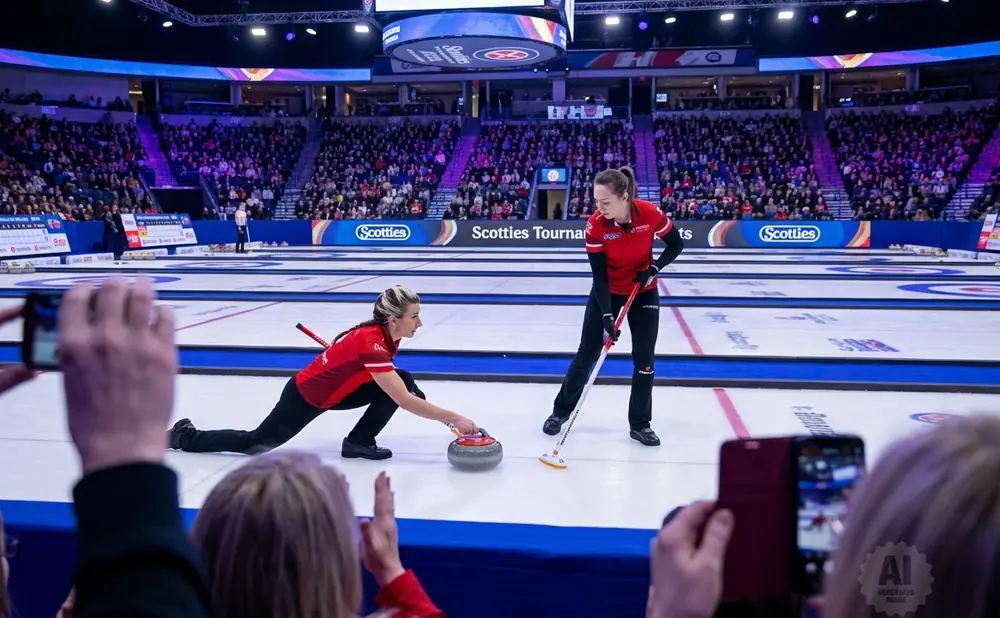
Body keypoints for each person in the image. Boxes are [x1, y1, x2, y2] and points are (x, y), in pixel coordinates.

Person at [169, 286, 479, 461]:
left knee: (404, 378)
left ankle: (359, 442)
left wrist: (410, 393)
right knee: (255, 444)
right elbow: (402, 399)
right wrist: (452, 417)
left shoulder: (385, 334)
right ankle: (187, 436)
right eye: (414, 317)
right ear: (393, 319)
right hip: (308, 396)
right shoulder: (371, 343)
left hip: (339, 391)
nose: (419, 324)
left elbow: (394, 384)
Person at [544, 167, 685, 447]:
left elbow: (676, 243)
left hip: (642, 290)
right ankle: (560, 412)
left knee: (644, 359)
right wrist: (608, 316)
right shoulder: (596, 225)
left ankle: (640, 424)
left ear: (624, 197)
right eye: (596, 202)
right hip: (607, 291)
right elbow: (599, 276)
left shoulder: (649, 213)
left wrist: (654, 268)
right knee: (587, 352)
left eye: (605, 202)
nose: (599, 208)